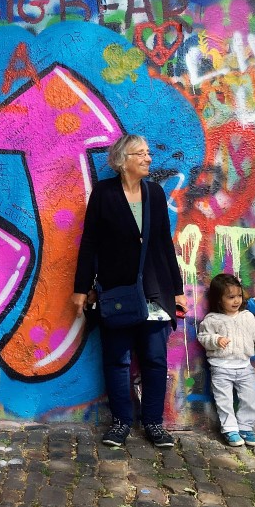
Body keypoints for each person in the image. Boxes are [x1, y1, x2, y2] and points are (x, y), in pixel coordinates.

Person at [72, 134, 187, 448]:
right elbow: (90, 243)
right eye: (141, 153)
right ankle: (121, 422)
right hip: (117, 290)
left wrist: (176, 289)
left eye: (149, 152)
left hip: (155, 289)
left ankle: (153, 423)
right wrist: (81, 288)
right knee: (117, 359)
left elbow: (165, 243)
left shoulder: (153, 192)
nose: (148, 158)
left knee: (154, 358)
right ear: (123, 161)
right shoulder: (104, 194)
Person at [198, 273, 255, 447]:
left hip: (244, 367)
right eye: (230, 297)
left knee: (250, 398)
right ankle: (230, 429)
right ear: (219, 299)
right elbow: (203, 337)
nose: (236, 300)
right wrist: (216, 340)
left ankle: (245, 427)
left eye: (239, 296)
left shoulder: (246, 316)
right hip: (221, 367)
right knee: (224, 400)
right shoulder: (212, 320)